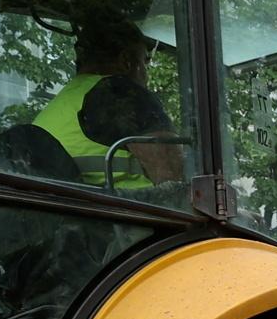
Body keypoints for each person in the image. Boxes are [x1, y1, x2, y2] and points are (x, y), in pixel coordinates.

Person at [31, 15, 181, 190]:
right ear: (127, 61)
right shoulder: (121, 92)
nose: (146, 74)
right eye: (144, 61)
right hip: (126, 214)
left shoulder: (63, 103)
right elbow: (175, 183)